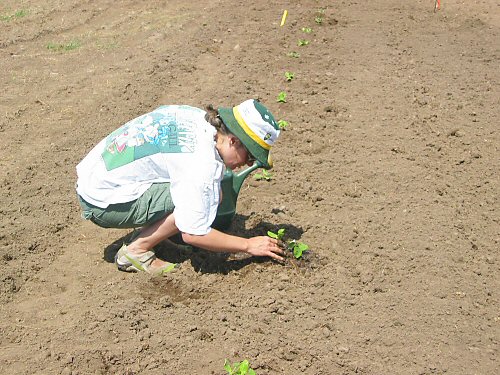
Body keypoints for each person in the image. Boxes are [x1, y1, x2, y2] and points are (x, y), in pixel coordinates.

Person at [76, 99, 284, 275]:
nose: (248, 164)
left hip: (95, 173)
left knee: (208, 195)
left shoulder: (196, 117)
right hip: (102, 202)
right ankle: (136, 251)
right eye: (250, 156)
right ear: (233, 141)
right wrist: (248, 245)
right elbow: (193, 234)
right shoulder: (201, 167)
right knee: (196, 203)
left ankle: (156, 232)